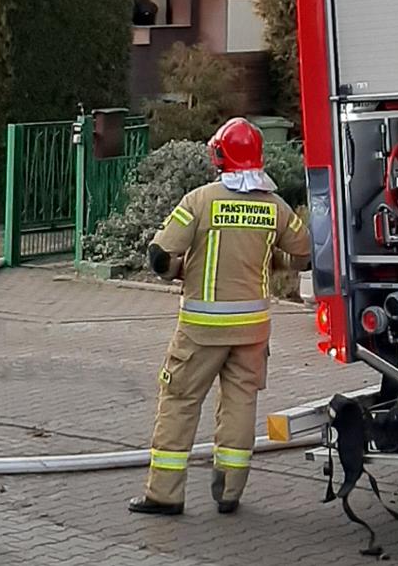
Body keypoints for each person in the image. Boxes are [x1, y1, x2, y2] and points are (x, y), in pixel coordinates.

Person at [130, 117, 312, 516]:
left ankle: (164, 495)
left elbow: (160, 256)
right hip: (252, 330)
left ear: (219, 156)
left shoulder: (200, 200)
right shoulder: (275, 206)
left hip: (201, 330)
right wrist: (270, 260)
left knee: (179, 401)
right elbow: (304, 255)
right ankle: (229, 493)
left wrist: (180, 270)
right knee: (240, 404)